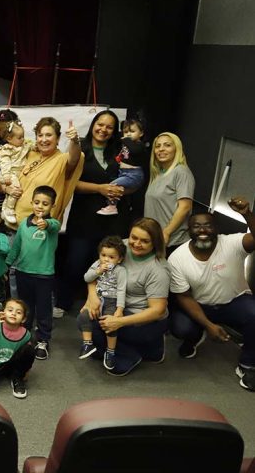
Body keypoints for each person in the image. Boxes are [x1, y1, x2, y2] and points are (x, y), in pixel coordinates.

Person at [168, 200, 255, 391]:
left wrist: (247, 215)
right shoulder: (177, 258)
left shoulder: (232, 243)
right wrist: (208, 325)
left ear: (216, 228)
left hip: (234, 301)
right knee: (180, 328)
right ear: (188, 230)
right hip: (201, 305)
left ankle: (248, 364)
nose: (202, 230)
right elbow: (184, 296)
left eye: (208, 225)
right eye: (196, 226)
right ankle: (197, 335)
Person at [83, 218, 170, 377]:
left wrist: (119, 322)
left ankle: (132, 355)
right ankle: (132, 349)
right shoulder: (120, 247)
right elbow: (95, 272)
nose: (137, 243)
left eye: (144, 241)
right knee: (84, 319)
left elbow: (158, 310)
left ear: (154, 243)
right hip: (113, 303)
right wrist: (92, 298)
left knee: (98, 328)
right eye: (134, 237)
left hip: (143, 318)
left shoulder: (158, 269)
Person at [58, 110, 123, 318]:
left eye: (109, 127)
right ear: (93, 124)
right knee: (75, 263)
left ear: (114, 131)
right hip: (83, 217)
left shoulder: (119, 151)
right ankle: (63, 302)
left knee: (107, 266)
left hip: (112, 220)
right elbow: (69, 182)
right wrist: (99, 188)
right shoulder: (80, 149)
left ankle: (102, 306)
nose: (103, 129)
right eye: (100, 124)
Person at [6, 185, 61, 361]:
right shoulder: (23, 225)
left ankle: (43, 340)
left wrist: (46, 223)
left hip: (44, 275)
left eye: (45, 204)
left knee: (44, 309)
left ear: (52, 206)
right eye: (37, 202)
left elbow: (53, 225)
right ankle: (25, 336)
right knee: (26, 307)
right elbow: (16, 247)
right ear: (31, 202)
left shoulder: (52, 225)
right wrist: (7, 265)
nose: (40, 206)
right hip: (23, 272)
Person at [3, 117, 83, 229]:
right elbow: (8, 175)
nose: (43, 139)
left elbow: (75, 157)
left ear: (58, 139)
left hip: (38, 228)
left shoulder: (62, 160)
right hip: (12, 224)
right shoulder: (29, 154)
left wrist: (74, 140)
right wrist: (6, 189)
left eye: (48, 135)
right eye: (40, 135)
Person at [76, 236, 127, 370]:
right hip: (97, 299)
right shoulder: (97, 265)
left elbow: (122, 290)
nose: (106, 259)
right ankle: (87, 344)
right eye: (103, 255)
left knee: (109, 324)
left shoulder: (120, 271)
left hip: (112, 301)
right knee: (83, 316)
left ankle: (110, 351)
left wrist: (120, 309)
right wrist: (97, 271)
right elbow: (86, 278)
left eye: (111, 257)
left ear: (119, 259)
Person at [145, 132, 194, 255]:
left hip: (172, 242)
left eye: (167, 145)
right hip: (154, 239)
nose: (161, 149)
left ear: (176, 149)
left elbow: (185, 207)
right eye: (158, 146)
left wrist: (166, 232)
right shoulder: (158, 173)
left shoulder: (181, 172)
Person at [96, 122, 146, 216]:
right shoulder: (126, 144)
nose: (128, 134)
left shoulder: (139, 145)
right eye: (126, 132)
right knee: (116, 188)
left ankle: (112, 206)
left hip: (133, 174)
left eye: (132, 131)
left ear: (141, 133)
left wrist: (126, 139)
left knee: (112, 186)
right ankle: (112, 206)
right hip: (123, 172)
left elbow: (134, 150)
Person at [0, 121, 33, 225]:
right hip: (8, 174)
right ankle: (9, 209)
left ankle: (4, 210)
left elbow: (31, 147)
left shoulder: (23, 146)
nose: (22, 139)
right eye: (19, 137)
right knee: (15, 189)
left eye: (23, 136)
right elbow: (4, 163)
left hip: (17, 173)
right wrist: (6, 175)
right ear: (9, 139)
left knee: (12, 192)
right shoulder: (7, 149)